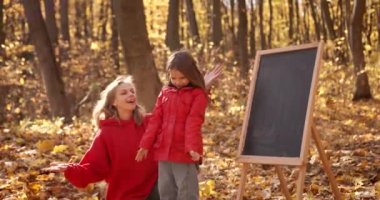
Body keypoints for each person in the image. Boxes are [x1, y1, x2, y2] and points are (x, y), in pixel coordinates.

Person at [43, 64, 222, 199]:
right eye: (124, 93)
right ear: (113, 102)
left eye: (132, 91)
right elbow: (94, 168)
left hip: (156, 190)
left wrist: (202, 87)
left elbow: (179, 115)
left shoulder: (149, 123)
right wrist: (70, 169)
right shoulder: (106, 134)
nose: (130, 95)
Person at [135, 50, 210, 200]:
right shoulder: (165, 92)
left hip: (184, 152)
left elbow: (193, 122)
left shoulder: (198, 95)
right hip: (163, 151)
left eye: (182, 78)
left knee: (186, 191)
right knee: (165, 190)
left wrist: (192, 147)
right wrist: (145, 145)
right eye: (173, 78)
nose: (178, 82)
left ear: (191, 74)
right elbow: (156, 120)